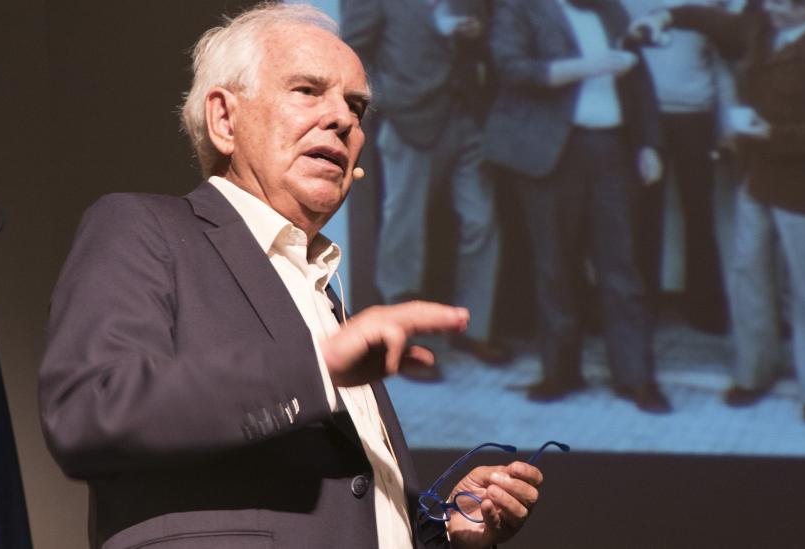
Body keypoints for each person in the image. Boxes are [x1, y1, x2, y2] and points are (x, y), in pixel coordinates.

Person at [38, 4, 542, 547]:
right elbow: (89, 414)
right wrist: (319, 369)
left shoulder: (325, 289)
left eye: (356, 106)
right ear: (224, 121)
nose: (343, 119)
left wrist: (442, 530)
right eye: (307, 90)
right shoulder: (146, 228)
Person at [631, 0, 805, 425]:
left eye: (778, 3)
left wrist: (773, 135)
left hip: (801, 189)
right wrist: (666, 16)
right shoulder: (759, 30)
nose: (767, 8)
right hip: (755, 181)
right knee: (748, 276)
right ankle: (753, 372)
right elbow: (708, 18)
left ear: (804, 6)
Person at [485, 0, 671, 413]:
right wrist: (592, 65)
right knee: (554, 268)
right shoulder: (520, 10)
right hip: (551, 152)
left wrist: (649, 144)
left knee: (621, 268)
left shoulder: (611, 12)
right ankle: (561, 372)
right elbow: (512, 69)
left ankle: (637, 377)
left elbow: (638, 79)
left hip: (611, 149)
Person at [342, 0, 512, 376]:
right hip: (410, 120)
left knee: (481, 221)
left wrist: (473, 32)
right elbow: (349, 52)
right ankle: (401, 341)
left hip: (467, 114)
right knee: (404, 230)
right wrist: (388, 98)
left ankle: (474, 328)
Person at [621, 0, 730, 335]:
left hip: (695, 113)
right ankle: (641, 306)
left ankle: (705, 306)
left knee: (699, 211)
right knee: (643, 214)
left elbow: (722, 66)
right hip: (642, 115)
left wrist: (726, 126)